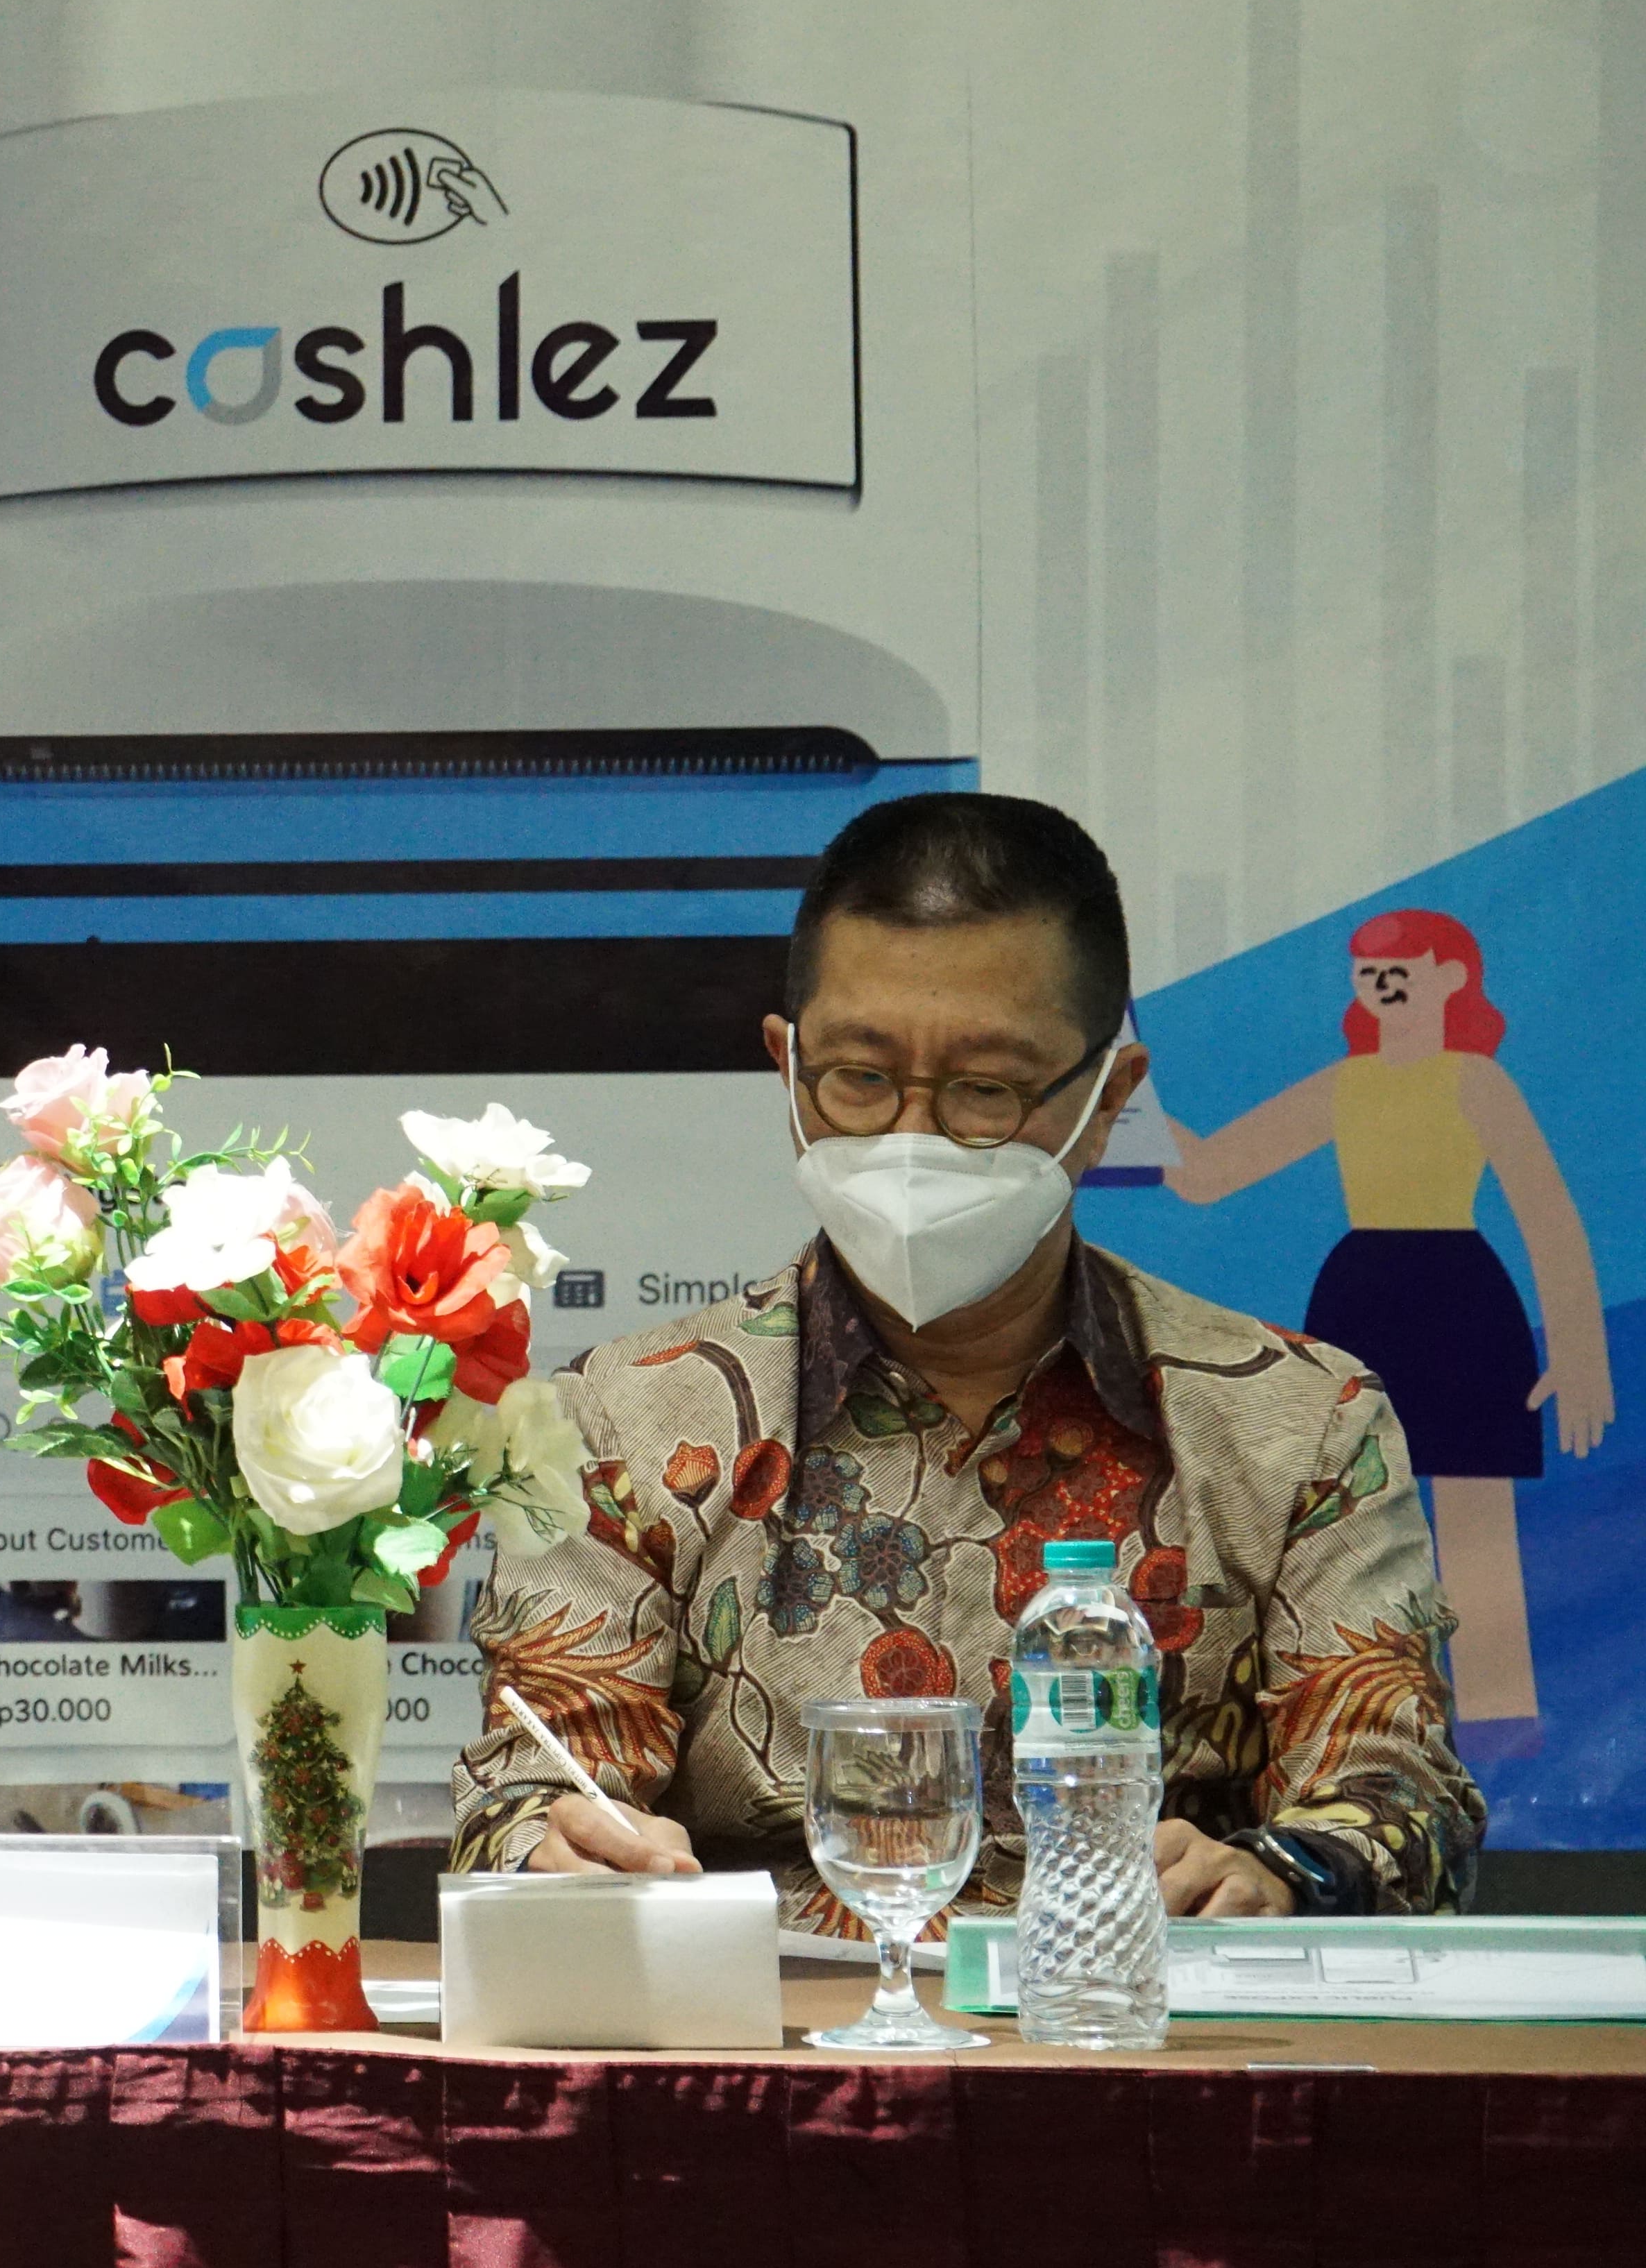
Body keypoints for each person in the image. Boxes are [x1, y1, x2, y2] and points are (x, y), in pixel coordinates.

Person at [453, 792, 1482, 1928]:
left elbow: (1398, 1795)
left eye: (987, 1089)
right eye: (859, 1077)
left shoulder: (1302, 1424)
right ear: (786, 1069)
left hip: (1143, 2009)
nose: (913, 1137)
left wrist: (1282, 1874)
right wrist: (558, 1848)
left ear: (1108, 1101)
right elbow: (534, 1783)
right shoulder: (623, 1421)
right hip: (770, 2022)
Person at [1160, 907, 1610, 1770]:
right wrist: (1129, 1104)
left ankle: (1504, 1734)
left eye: (1400, 968)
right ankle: (1363, 1730)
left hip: (1464, 1306)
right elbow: (1211, 1172)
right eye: (1369, 973)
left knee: (1477, 1525)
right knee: (1347, 1523)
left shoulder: (1477, 1080)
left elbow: (1546, 1209)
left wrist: (1580, 1350)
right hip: (1362, 1304)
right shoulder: (1345, 1083)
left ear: (1450, 978)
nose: (1383, 985)